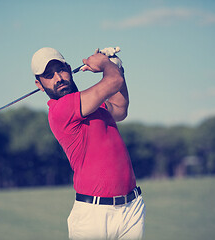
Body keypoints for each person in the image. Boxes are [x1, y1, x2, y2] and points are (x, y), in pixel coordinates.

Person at [31, 47, 145, 239]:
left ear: (69, 68)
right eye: (49, 76)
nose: (58, 78)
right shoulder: (61, 109)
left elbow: (120, 108)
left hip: (131, 207)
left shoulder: (94, 103)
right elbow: (113, 81)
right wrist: (104, 64)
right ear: (39, 84)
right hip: (94, 214)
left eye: (60, 70)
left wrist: (116, 65)